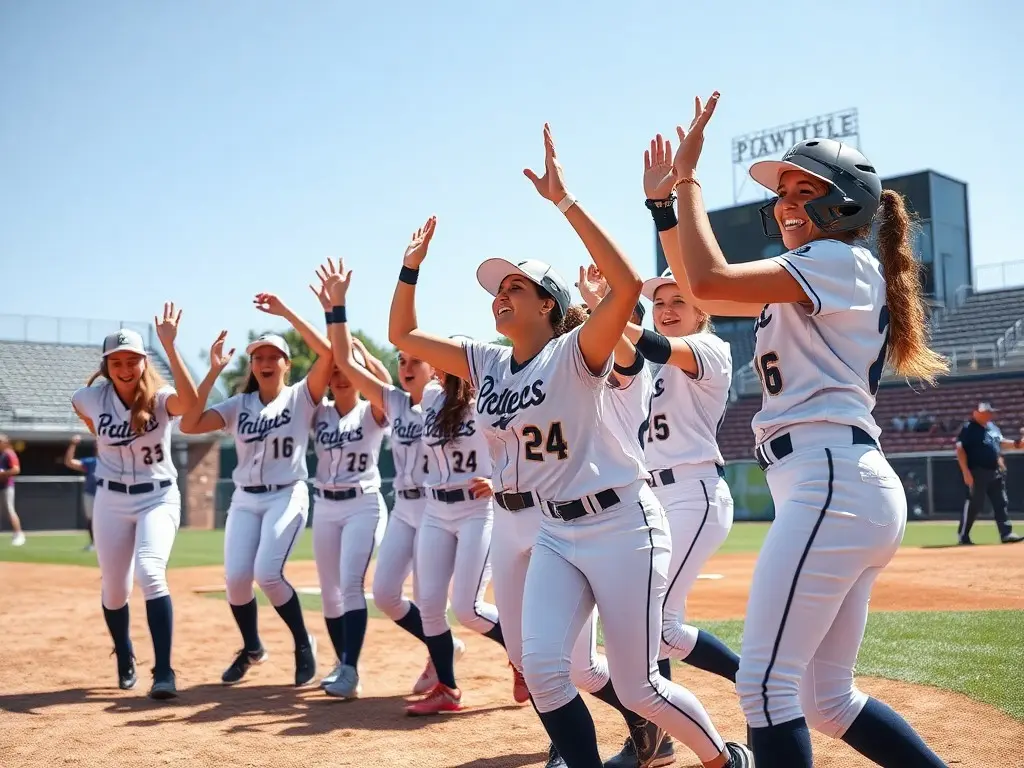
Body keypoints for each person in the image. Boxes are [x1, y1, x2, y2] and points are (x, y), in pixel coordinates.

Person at [390, 124, 751, 768]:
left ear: (550, 306)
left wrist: (565, 202)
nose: (500, 296)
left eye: (514, 289)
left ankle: (724, 758)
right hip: (552, 528)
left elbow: (627, 282)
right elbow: (405, 333)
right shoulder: (487, 362)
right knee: (545, 669)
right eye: (497, 291)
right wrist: (410, 266)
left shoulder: (575, 352)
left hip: (620, 521)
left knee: (640, 684)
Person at [663, 92, 948, 767]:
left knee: (766, 688)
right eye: (782, 192)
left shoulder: (835, 259)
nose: (786, 203)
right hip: (833, 483)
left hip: (829, 480)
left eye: (803, 189)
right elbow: (699, 285)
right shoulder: (833, 266)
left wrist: (687, 181)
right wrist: (664, 207)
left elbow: (704, 284)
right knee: (826, 700)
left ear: (844, 202)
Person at [574, 248, 743, 768]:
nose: (668, 307)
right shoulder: (643, 362)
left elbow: (646, 342)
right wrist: (606, 307)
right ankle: (660, 737)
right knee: (644, 623)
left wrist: (607, 306)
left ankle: (761, 684)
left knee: (662, 626)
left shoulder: (710, 349)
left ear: (701, 312)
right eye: (660, 300)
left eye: (680, 300)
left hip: (694, 493)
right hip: (650, 494)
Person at [317, 260, 470, 699]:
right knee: (385, 594)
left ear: (435, 366)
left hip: (439, 507)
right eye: (401, 359)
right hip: (404, 507)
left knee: (433, 603)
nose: (406, 366)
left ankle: (447, 677)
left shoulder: (451, 405)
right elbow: (344, 359)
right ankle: (443, 651)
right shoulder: (394, 402)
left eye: (416, 360)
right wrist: (338, 308)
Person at [387, 221, 518, 719]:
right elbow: (406, 338)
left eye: (454, 361)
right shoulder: (433, 398)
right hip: (435, 512)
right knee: (428, 605)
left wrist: (501, 479)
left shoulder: (487, 396)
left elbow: (516, 446)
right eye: (442, 361)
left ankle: (522, 658)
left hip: (478, 510)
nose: (443, 368)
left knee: (468, 608)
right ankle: (447, 686)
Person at [180, 294, 332, 687]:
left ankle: (303, 642)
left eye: (273, 357)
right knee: (235, 579)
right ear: (252, 365)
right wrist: (212, 372)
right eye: (258, 358)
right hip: (246, 498)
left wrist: (286, 313)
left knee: (267, 573)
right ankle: (252, 649)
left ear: (286, 363)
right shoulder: (239, 404)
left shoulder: (300, 396)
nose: (265, 363)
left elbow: (329, 354)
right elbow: (190, 424)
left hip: (287, 492)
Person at [69, 308, 199, 699]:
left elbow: (191, 405)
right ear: (107, 366)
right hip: (110, 498)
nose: (125, 368)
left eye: (132, 361)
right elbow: (89, 421)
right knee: (114, 590)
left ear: (144, 363)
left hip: (157, 497)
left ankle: (164, 671)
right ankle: (125, 653)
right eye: (117, 362)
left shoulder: (160, 399)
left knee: (150, 571)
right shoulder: (88, 398)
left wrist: (171, 348)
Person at [300, 275, 393, 699]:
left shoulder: (372, 410)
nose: (338, 376)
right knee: (330, 592)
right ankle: (343, 663)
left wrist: (341, 324)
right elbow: (327, 357)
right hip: (327, 506)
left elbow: (367, 374)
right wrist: (328, 320)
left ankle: (350, 670)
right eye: (334, 371)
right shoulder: (316, 412)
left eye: (346, 370)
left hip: (362, 505)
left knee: (352, 584)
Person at [955, 402, 1023, 545]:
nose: (988, 414)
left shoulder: (992, 427)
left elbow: (1001, 442)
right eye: (985, 412)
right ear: (975, 413)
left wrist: (1017, 444)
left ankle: (1006, 533)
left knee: (1001, 502)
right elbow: (960, 450)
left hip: (995, 472)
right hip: (977, 471)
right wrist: (966, 472)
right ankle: (964, 535)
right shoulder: (968, 428)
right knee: (975, 504)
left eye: (990, 412)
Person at [64, 434, 99, 551]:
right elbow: (69, 462)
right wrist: (73, 445)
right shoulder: (91, 462)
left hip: (109, 495)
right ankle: (94, 543)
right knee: (91, 519)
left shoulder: (114, 461)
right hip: (91, 493)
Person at [0, 434, 25, 546]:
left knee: (10, 510)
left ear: (5, 442)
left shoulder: (9, 454)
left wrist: (3, 473)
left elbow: (16, 469)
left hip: (6, 486)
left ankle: (19, 535)